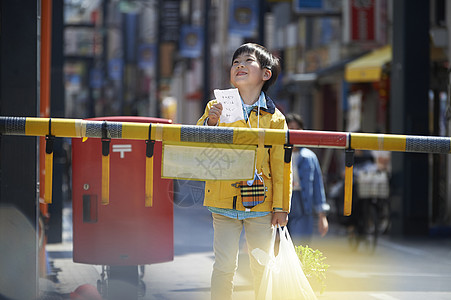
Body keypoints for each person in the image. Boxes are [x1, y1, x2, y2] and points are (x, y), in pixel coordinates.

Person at [196, 43, 291, 300]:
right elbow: (198, 143)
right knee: (224, 266)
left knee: (261, 267)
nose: (239, 65)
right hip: (222, 199)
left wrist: (281, 206)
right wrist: (210, 122)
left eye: (247, 61)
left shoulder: (276, 119)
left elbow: (282, 166)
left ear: (265, 74)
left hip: (262, 202)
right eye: (235, 62)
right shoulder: (216, 107)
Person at [285, 113, 329, 245]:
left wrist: (322, 216)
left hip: (303, 204)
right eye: (289, 128)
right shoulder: (276, 153)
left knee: (301, 247)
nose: (293, 131)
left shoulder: (310, 157)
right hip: (281, 203)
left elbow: (317, 187)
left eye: (296, 128)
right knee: (279, 248)